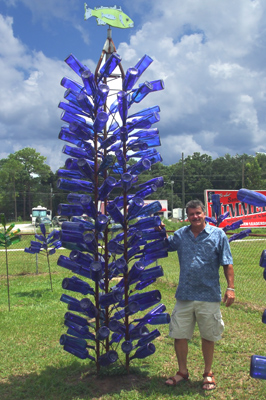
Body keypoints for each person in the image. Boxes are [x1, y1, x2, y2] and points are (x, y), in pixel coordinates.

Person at [164, 199, 234, 391]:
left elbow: (227, 262)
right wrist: (158, 229)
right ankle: (182, 372)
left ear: (204, 214)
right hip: (184, 294)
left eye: (198, 213)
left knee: (208, 336)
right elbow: (165, 246)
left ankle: (208, 373)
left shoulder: (218, 235)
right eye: (191, 214)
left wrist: (231, 288)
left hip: (208, 294)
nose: (195, 217)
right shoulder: (180, 235)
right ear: (187, 217)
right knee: (179, 334)